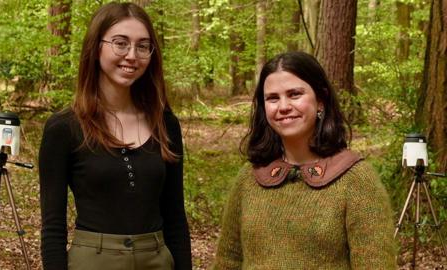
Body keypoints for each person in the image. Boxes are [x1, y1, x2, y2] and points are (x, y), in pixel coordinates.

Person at [39, 2, 192, 270]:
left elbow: (176, 218)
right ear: (96, 47)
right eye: (120, 43)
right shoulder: (64, 128)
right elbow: (53, 228)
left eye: (143, 46)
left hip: (157, 261)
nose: (132, 55)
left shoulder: (165, 123)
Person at [211, 51, 397, 269]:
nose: (283, 107)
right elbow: (228, 261)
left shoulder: (356, 180)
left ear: (320, 100)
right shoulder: (249, 178)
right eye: (272, 98)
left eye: (295, 94)